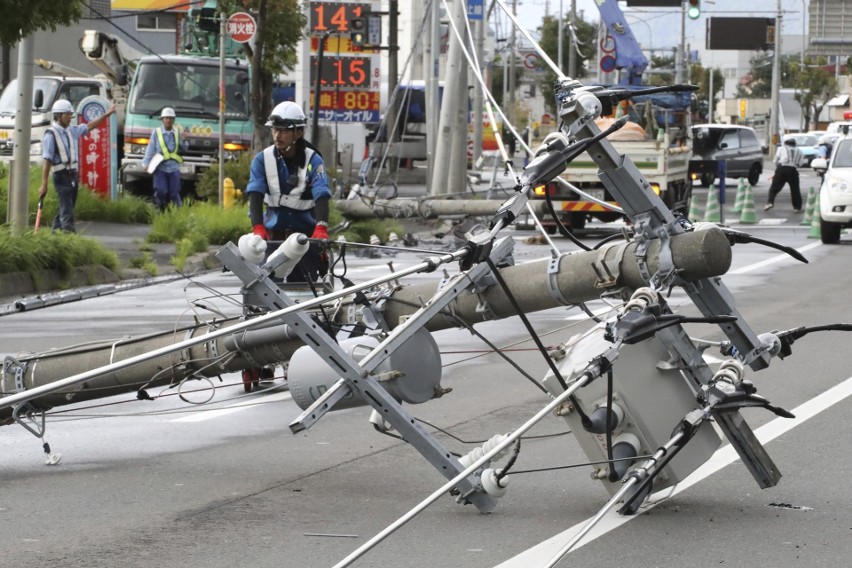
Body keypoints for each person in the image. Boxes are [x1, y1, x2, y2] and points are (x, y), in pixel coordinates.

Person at [245, 101, 332, 283]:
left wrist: (321, 228)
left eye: (284, 130)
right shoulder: (262, 160)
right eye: (275, 130)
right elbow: (255, 194)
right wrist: (258, 228)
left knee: (304, 295)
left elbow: (321, 194)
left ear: (299, 132)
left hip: (304, 240)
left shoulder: (313, 160)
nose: (277, 135)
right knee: (264, 292)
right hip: (271, 239)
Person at [38, 99, 116, 233]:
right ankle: (69, 233)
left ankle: (55, 232)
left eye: (70, 114)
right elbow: (47, 159)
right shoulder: (51, 135)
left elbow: (89, 126)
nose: (70, 117)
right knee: (67, 206)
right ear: (58, 116)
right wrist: (44, 183)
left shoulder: (71, 131)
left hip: (73, 175)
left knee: (67, 205)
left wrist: (106, 115)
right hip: (60, 175)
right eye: (67, 114)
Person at [142, 107, 186, 210]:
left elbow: (183, 148)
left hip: (174, 168)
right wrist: (146, 163)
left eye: (170, 118)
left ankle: (177, 212)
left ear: (173, 120)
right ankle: (159, 209)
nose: (168, 120)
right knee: (161, 190)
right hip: (160, 168)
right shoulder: (156, 132)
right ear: (162, 119)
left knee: (174, 193)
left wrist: (184, 140)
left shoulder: (177, 132)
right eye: (166, 118)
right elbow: (151, 148)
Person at [765, 137, 804, 212]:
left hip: (782, 168)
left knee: (774, 188)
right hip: (793, 170)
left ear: (785, 143)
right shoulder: (799, 151)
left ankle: (770, 202)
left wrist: (778, 168)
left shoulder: (781, 148)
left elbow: (775, 160)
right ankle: (797, 207)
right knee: (795, 189)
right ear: (794, 144)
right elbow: (800, 164)